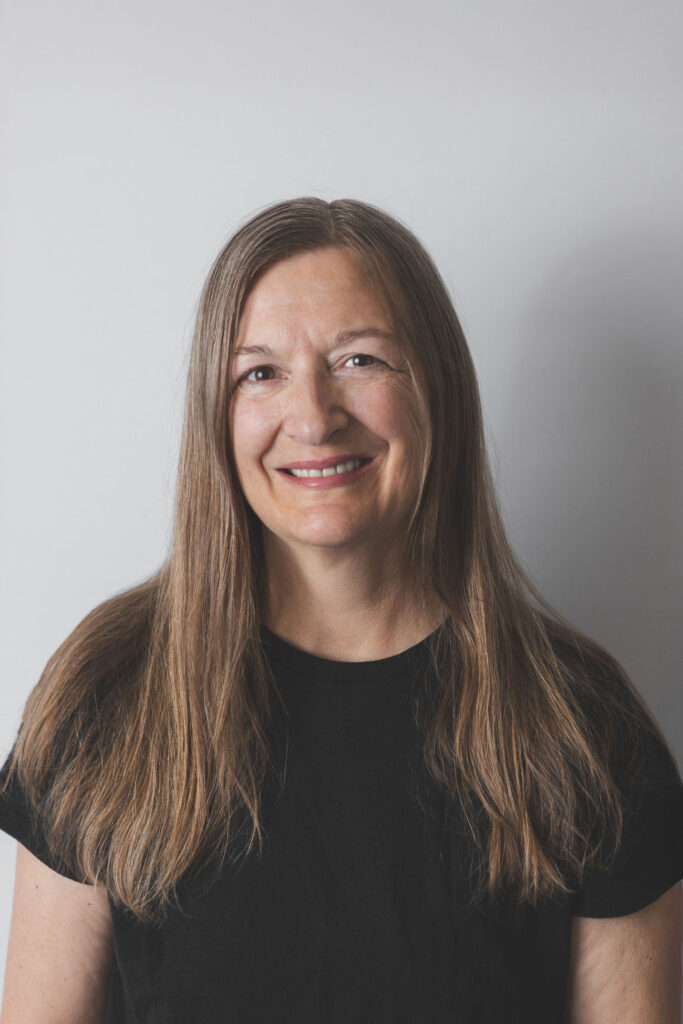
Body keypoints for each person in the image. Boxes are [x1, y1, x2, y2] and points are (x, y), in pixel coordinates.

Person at [0, 196, 681, 1023]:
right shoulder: (111, 688)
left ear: (437, 388)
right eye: (260, 373)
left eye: (359, 360)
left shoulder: (578, 724)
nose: (313, 418)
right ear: (216, 418)